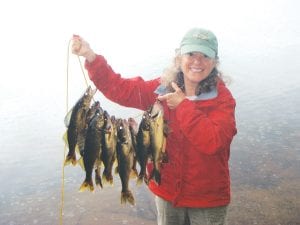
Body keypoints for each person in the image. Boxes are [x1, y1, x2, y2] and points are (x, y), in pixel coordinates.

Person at [72, 28, 237, 225]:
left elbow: (213, 142)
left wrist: (182, 106)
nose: (197, 61)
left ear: (215, 62)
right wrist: (90, 57)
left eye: (205, 56)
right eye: (191, 54)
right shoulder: (160, 90)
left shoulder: (222, 99)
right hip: (167, 191)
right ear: (179, 58)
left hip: (207, 198)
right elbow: (121, 89)